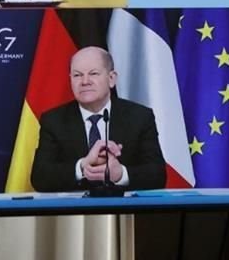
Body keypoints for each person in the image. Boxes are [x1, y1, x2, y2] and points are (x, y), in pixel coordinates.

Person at [31, 46, 166, 192]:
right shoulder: (54, 120)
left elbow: (157, 174)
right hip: (74, 211)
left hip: (125, 210)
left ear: (111, 78)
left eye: (93, 73)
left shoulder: (139, 117)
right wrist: (82, 166)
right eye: (77, 75)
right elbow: (40, 177)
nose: (85, 81)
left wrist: (120, 174)